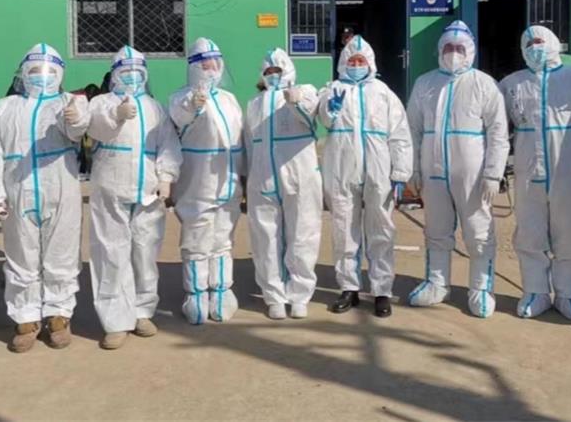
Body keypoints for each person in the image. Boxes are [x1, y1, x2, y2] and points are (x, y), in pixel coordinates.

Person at [405, 21, 509, 318]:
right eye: (448, 47)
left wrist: (493, 173)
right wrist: (413, 169)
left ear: (470, 51)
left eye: (459, 48)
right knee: (436, 229)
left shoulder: (484, 84)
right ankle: (437, 283)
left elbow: (498, 132)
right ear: (439, 50)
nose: (453, 53)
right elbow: (411, 129)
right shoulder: (425, 83)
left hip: (472, 175)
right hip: (433, 171)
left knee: (478, 232)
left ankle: (481, 288)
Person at [0, 43, 90, 352]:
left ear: (59, 73)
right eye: (34, 70)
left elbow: (77, 131)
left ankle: (59, 315)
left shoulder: (68, 102)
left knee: (61, 253)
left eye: (48, 71)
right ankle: (26, 318)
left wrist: (74, 118)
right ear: (23, 73)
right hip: (17, 188)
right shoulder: (3, 107)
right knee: (21, 254)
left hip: (61, 187)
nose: (41, 76)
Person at [88, 45, 182, 350]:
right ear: (114, 74)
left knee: (145, 252)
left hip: (148, 189)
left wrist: (166, 177)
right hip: (111, 188)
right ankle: (116, 320)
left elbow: (168, 143)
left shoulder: (155, 108)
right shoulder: (102, 102)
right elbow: (95, 128)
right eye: (125, 72)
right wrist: (115, 115)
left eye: (137, 72)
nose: (132, 77)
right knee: (111, 253)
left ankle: (142, 311)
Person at [499, 26, 571, 321]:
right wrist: (496, 166)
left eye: (539, 42)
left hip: (569, 168)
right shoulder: (512, 83)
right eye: (528, 44)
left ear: (553, 43)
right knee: (530, 230)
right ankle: (535, 291)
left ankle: (568, 292)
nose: (534, 48)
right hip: (528, 169)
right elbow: (497, 128)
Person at [318, 35, 413, 318]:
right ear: (343, 63)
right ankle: (349, 287)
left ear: (370, 63)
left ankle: (382, 290)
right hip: (342, 168)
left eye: (361, 60)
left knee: (381, 229)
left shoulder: (383, 93)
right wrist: (330, 109)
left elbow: (400, 134)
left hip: (378, 170)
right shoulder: (333, 89)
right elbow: (324, 120)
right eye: (352, 60)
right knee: (343, 229)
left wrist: (400, 172)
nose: (356, 64)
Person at [169, 38, 244, 324]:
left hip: (229, 181)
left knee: (223, 238)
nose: (210, 68)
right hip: (198, 183)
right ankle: (196, 293)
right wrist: (193, 104)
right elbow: (180, 115)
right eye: (204, 64)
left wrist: (245, 175)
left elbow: (240, 139)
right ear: (192, 66)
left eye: (214, 63)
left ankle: (222, 290)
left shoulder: (229, 100)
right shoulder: (181, 97)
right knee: (197, 239)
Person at [245, 48, 322, 320]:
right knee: (265, 238)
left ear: (288, 70)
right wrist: (248, 174)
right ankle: (274, 296)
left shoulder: (306, 91)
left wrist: (296, 102)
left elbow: (313, 117)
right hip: (263, 176)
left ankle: (299, 295)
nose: (274, 75)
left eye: (278, 70)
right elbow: (248, 142)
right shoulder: (254, 103)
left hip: (300, 175)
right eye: (269, 71)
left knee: (303, 233)